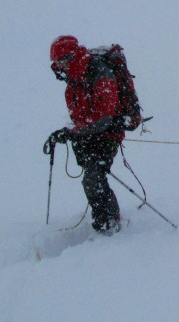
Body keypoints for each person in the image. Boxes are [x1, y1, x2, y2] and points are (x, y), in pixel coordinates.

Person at [46, 35, 123, 233]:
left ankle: (109, 224)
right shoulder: (73, 80)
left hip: (108, 134)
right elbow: (81, 117)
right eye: (56, 62)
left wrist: (73, 132)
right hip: (89, 137)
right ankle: (106, 222)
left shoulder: (99, 72)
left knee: (93, 179)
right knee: (93, 179)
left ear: (71, 57)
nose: (59, 66)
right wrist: (71, 132)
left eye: (60, 61)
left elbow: (104, 115)